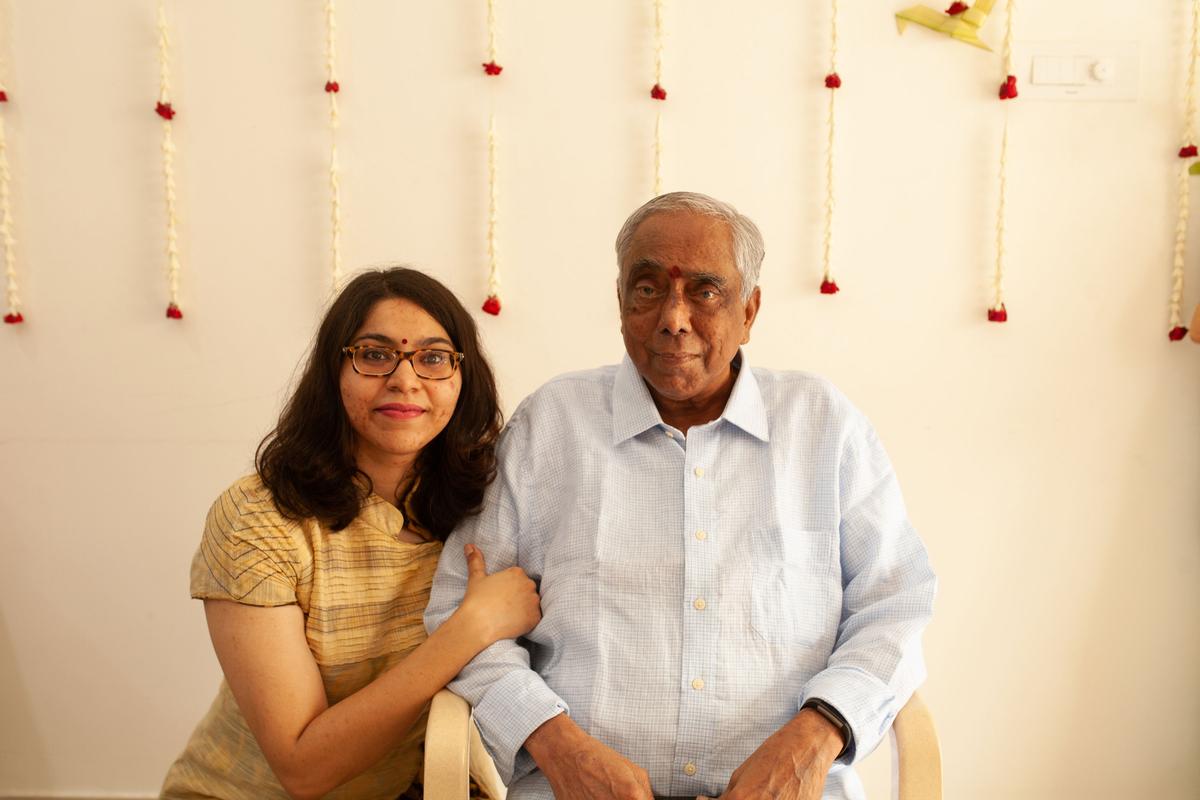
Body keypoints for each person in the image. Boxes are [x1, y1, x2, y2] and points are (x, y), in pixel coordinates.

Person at [425, 192, 937, 800]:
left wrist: (818, 735)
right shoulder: (552, 426)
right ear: (620, 303)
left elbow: (896, 604)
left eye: (706, 291)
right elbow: (458, 612)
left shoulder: (823, 425)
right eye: (648, 288)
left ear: (750, 310)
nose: (673, 317)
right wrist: (553, 741)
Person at [161, 267, 541, 800]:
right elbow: (302, 768)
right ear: (333, 371)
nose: (405, 380)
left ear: (463, 377)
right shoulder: (259, 518)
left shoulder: (489, 503)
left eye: (433, 358)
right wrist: (469, 628)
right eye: (374, 353)